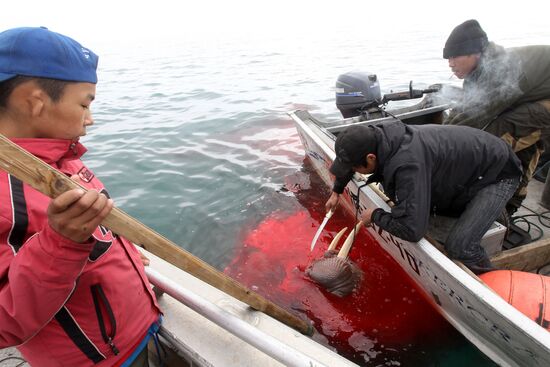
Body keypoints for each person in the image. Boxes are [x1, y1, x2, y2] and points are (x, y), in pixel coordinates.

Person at [0, 27, 161, 366]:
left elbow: (92, 237)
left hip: (137, 328)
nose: (91, 118)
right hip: (98, 358)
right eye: (84, 104)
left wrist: (123, 252)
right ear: (36, 102)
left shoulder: (62, 161)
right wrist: (61, 242)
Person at [325, 120, 522, 274]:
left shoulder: (408, 165)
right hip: (469, 167)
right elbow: (350, 162)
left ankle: (490, 284)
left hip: (499, 172)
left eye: (354, 168)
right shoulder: (375, 136)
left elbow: (412, 230)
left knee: (460, 247)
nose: (351, 170)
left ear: (370, 158)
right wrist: (337, 190)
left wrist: (375, 216)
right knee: (406, 201)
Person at [441, 19, 550, 215]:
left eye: (453, 57)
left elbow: (473, 118)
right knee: (520, 139)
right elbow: (464, 109)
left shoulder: (499, 72)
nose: (449, 64)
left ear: (474, 52)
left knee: (493, 141)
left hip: (545, 102)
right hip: (538, 95)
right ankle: (510, 201)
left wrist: (434, 144)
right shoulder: (480, 70)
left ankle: (507, 206)